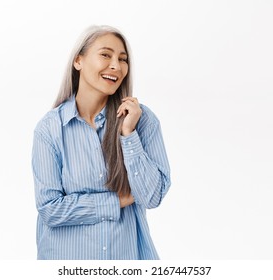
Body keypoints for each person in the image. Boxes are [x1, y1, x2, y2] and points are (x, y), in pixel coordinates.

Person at [32, 25, 171, 260]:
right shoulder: (50, 129)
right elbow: (50, 210)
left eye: (122, 59)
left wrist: (128, 135)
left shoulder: (141, 121)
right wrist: (117, 201)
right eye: (106, 55)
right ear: (79, 61)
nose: (116, 66)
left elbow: (152, 196)